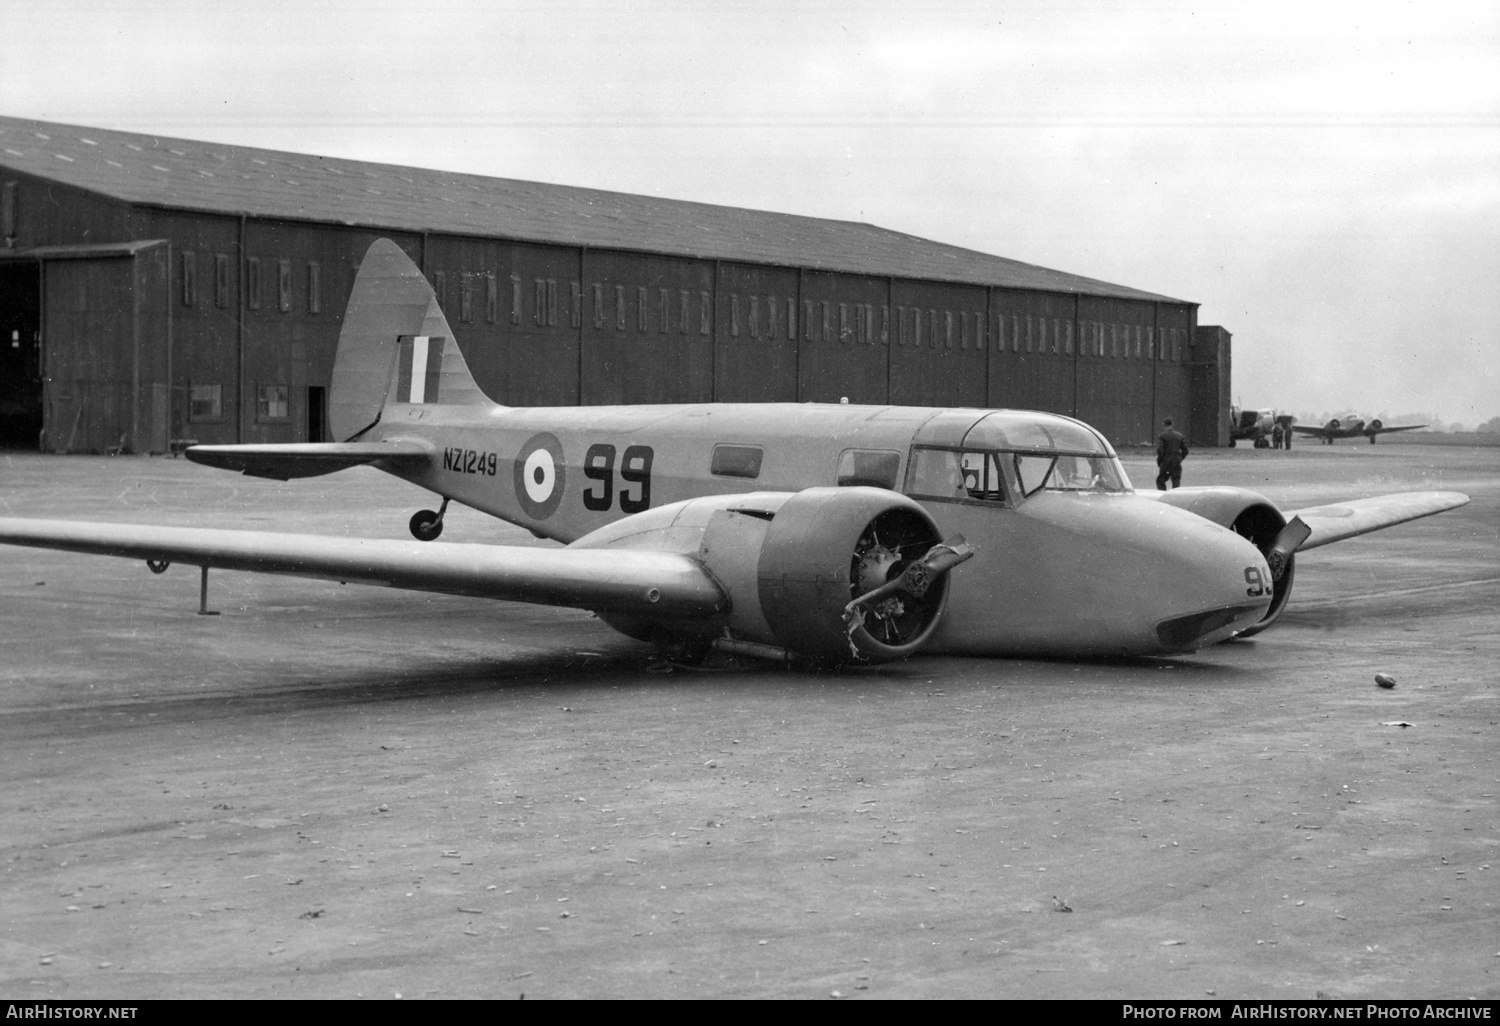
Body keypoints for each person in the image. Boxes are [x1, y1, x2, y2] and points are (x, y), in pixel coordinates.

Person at [1155, 417, 1188, 490]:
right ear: (1172, 424)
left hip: (1166, 462)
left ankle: (1163, 495)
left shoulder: (1162, 436)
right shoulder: (1179, 436)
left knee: (1161, 481)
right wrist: (1180, 458)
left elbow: (1160, 450)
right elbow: (1185, 450)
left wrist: (1160, 461)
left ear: (1164, 425)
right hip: (1176, 462)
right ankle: (1175, 497)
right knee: (1176, 481)